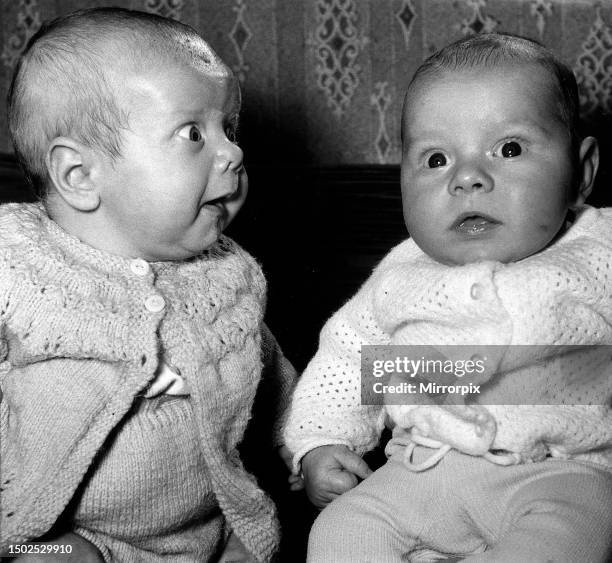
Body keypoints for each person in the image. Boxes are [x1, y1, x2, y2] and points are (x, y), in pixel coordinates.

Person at [283, 33, 612, 562]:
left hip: (560, 473)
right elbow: (349, 359)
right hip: (422, 469)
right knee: (342, 530)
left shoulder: (598, 252)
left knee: (574, 532)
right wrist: (322, 441)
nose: (467, 178)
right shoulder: (400, 278)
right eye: (436, 159)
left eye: (509, 149)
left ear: (582, 172)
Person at [0, 7, 296, 562]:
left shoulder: (226, 275)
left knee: (256, 549)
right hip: (48, 530)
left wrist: (308, 444)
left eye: (227, 129)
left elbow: (273, 377)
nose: (232, 151)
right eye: (193, 133)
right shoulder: (14, 268)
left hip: (210, 528)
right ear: (80, 175)